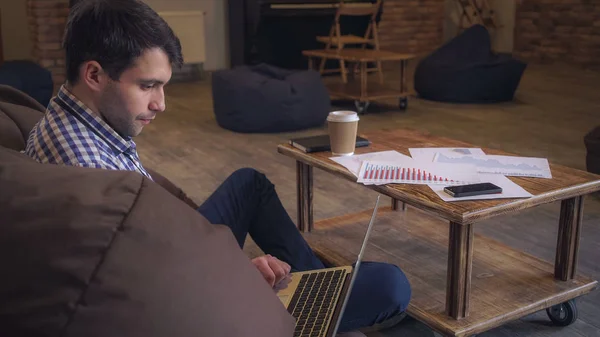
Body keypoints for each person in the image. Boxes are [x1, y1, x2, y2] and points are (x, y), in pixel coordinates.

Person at [24, 0, 411, 334]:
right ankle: (319, 304)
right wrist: (239, 274)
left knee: (250, 184)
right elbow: (158, 295)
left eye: (163, 86)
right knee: (391, 286)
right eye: (147, 86)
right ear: (94, 74)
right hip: (187, 300)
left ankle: (317, 291)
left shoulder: (69, 124)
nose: (161, 104)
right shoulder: (89, 173)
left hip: (172, 251)